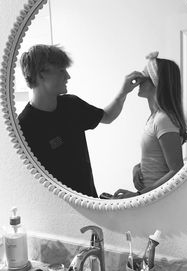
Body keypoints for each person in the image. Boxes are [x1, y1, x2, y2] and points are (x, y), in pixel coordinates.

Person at [18, 44, 142, 197]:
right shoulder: (24, 126)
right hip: (58, 212)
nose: (68, 76)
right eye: (61, 70)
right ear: (41, 74)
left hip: (88, 201)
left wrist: (124, 91)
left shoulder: (72, 105)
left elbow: (108, 116)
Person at [114, 51, 187, 199]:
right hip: (152, 197)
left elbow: (176, 170)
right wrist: (138, 166)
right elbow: (159, 157)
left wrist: (138, 195)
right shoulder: (154, 118)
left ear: (157, 82)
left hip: (159, 200)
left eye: (143, 77)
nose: (138, 82)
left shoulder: (163, 119)